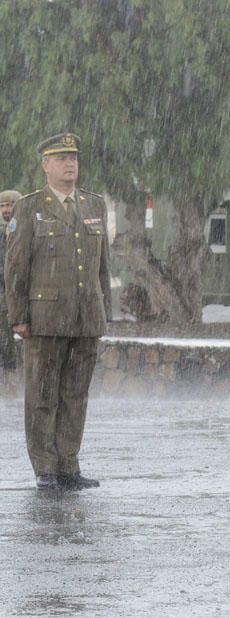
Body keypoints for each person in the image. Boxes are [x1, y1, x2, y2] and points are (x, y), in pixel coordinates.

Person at [4, 133, 111, 490]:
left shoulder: (94, 206)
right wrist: (18, 315)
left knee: (75, 396)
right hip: (45, 319)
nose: (70, 165)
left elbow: (103, 268)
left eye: (74, 158)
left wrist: (103, 312)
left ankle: (69, 464)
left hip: (85, 319)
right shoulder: (30, 207)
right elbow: (16, 267)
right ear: (45, 165)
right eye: (62, 158)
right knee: (42, 396)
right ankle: (45, 468)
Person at [0, 189, 22, 388]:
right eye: (3, 206)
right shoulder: (2, 232)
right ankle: (10, 386)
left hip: (25, 293)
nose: (7, 209)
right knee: (4, 341)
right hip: (4, 297)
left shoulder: (28, 228)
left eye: (10, 204)